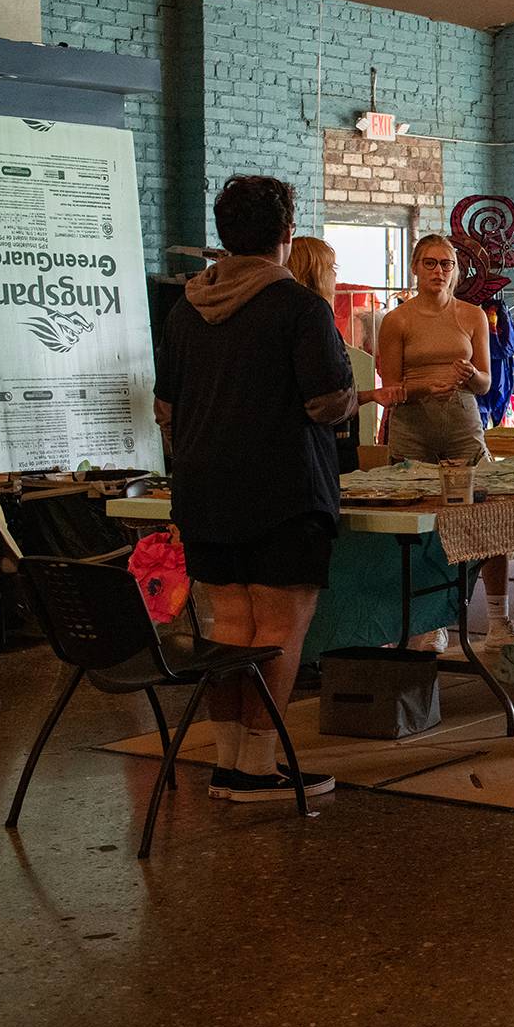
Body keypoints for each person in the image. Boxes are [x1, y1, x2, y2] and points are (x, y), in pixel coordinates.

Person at [153, 176, 351, 803]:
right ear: (285, 236)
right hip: (284, 491)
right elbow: (326, 403)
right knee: (280, 627)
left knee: (229, 624)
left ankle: (230, 763)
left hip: (203, 491)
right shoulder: (298, 307)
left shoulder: (186, 308)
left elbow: (165, 407)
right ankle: (260, 768)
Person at [375, 235, 514, 650]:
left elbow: (487, 381)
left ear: (457, 270)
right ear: (415, 268)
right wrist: (425, 387)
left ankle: (498, 618)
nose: (439, 271)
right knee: (411, 524)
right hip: (412, 425)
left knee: (488, 515)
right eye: (431, 263)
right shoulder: (397, 321)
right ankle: (423, 622)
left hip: (461, 419)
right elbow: (391, 385)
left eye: (447, 264)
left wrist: (470, 376)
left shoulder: (472, 315)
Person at [287, 236, 405, 475]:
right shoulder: (312, 319)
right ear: (314, 273)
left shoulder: (311, 319)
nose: (335, 277)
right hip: (319, 448)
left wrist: (370, 395)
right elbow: (325, 400)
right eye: (330, 268)